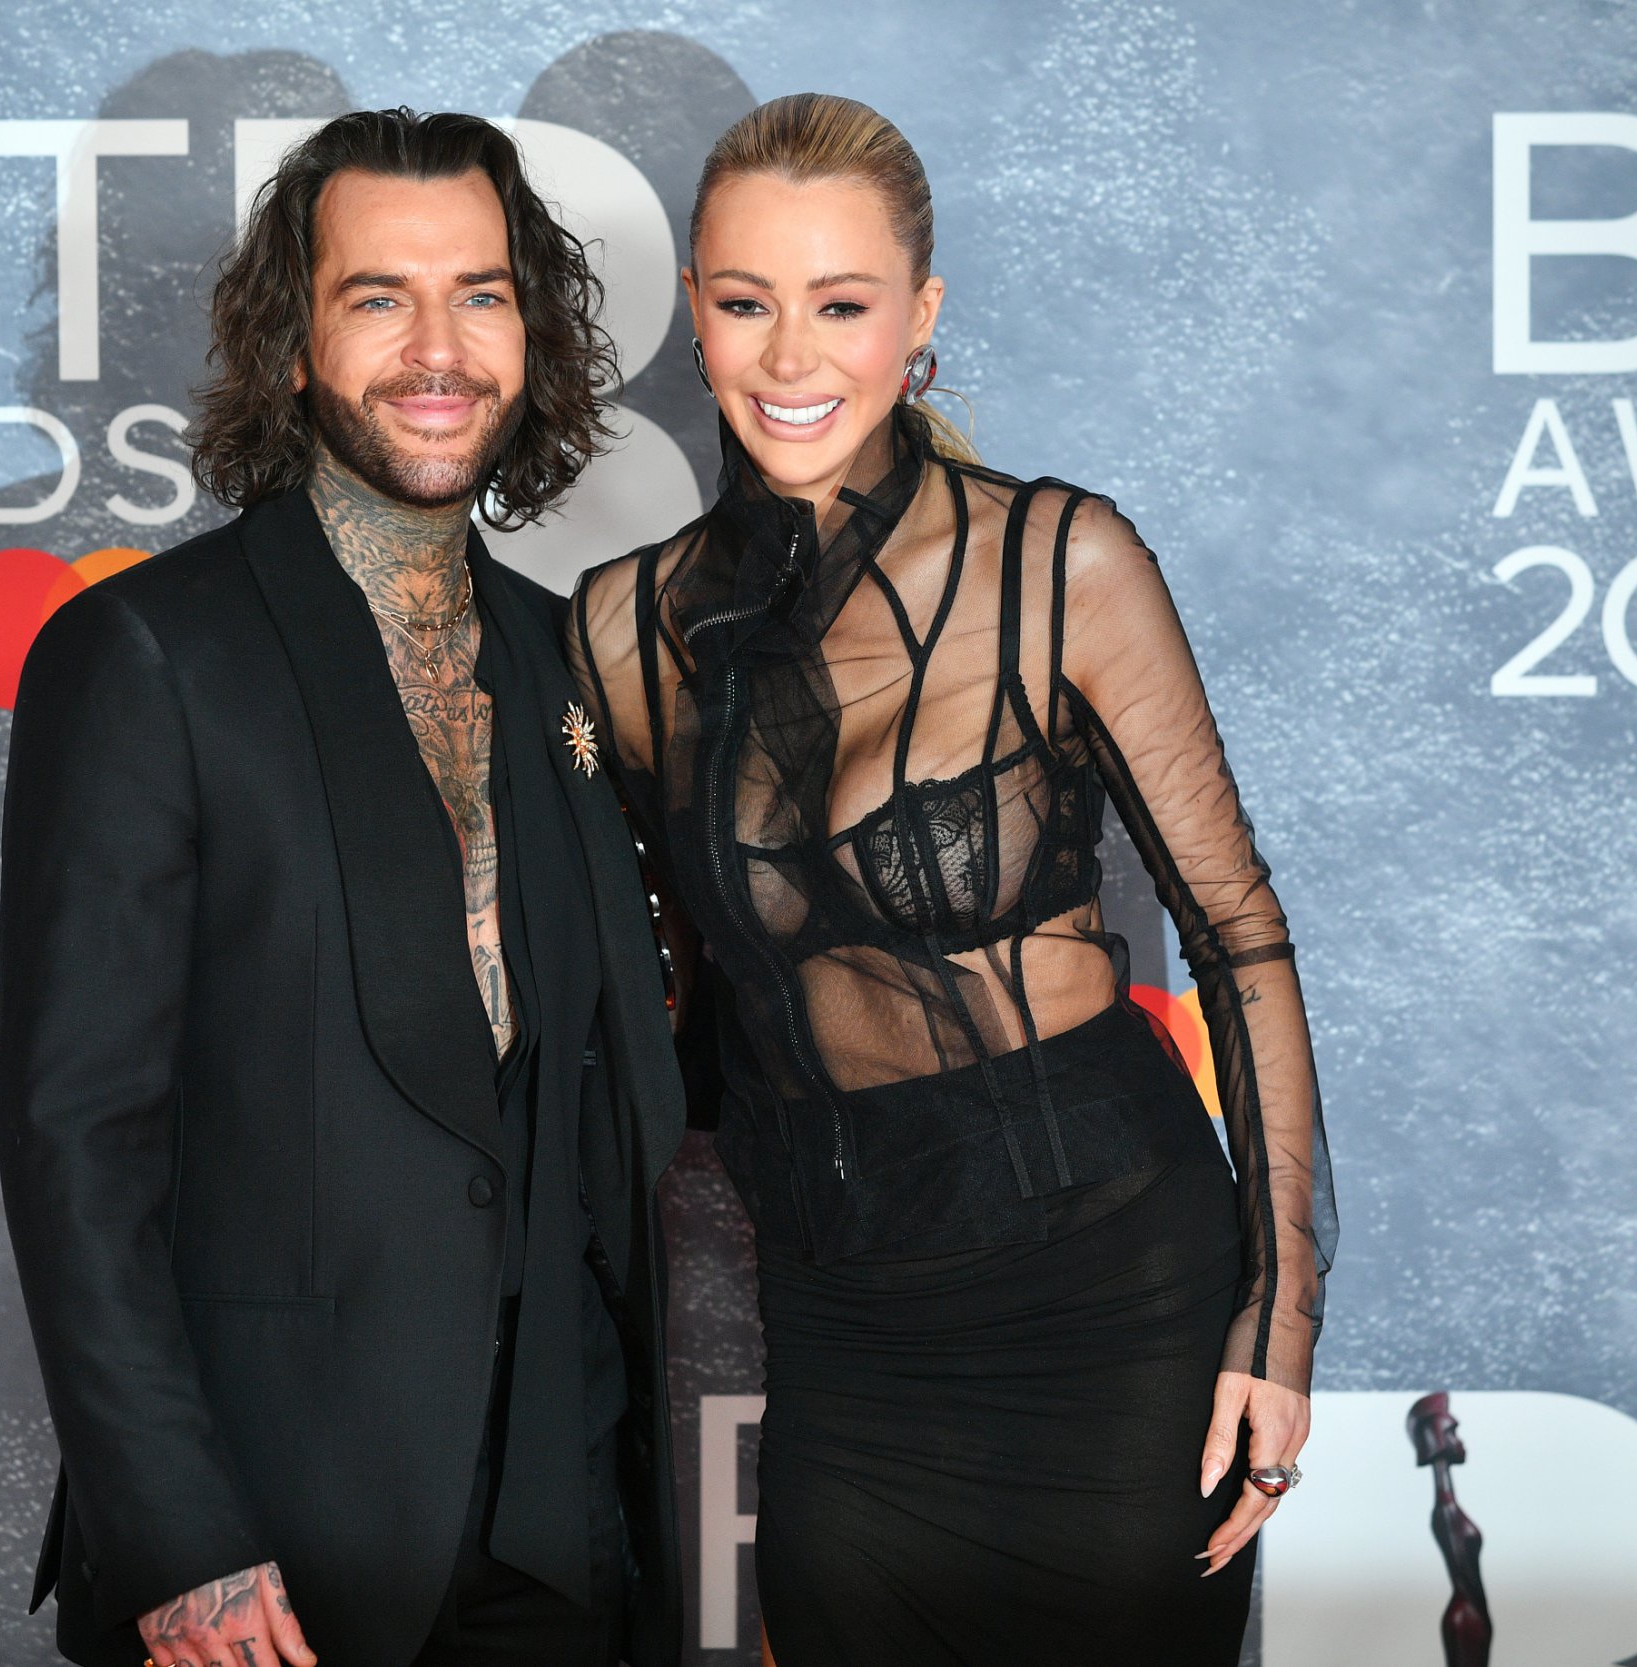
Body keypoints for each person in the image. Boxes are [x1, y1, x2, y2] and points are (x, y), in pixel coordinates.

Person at [568, 94, 1338, 1665]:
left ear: (919, 317)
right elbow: (676, 998)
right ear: (695, 313)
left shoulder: (1063, 565)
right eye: (747, 304)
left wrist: (1280, 1314)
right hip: (845, 1329)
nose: (792, 358)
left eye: (842, 306)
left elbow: (1237, 936)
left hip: (1110, 1303)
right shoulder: (623, 633)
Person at [0, 108, 686, 1667]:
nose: (439, 348)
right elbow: (75, 1140)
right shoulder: (147, 655)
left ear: (532, 333)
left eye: (481, 295)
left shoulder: (564, 656)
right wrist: (176, 1537)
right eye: (380, 297)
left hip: (565, 1523)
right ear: (293, 346)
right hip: (269, 1548)